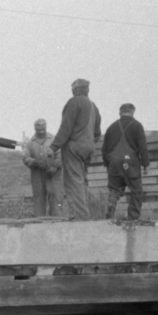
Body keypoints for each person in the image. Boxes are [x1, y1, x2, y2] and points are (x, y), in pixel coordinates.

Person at [51, 78, 101, 219]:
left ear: (75, 90)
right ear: (87, 90)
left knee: (74, 182)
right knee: (82, 181)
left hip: (74, 146)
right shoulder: (93, 106)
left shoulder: (74, 102)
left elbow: (65, 128)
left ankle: (80, 217)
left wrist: (54, 147)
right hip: (88, 147)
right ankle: (83, 214)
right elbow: (97, 133)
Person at [101, 103, 149, 220]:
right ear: (133, 112)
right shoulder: (137, 126)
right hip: (130, 164)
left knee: (114, 191)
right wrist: (145, 164)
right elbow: (143, 147)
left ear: (120, 112)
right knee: (136, 191)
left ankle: (109, 216)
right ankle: (132, 218)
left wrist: (108, 164)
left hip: (114, 164)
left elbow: (104, 149)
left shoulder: (111, 127)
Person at [23, 118, 62, 216]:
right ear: (35, 128)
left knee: (55, 198)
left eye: (43, 128)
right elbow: (25, 157)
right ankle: (39, 223)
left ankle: (57, 222)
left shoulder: (53, 139)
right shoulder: (30, 143)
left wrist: (55, 166)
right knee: (38, 198)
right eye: (38, 129)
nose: (41, 131)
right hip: (37, 174)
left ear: (46, 127)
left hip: (53, 174)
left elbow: (60, 155)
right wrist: (35, 162)